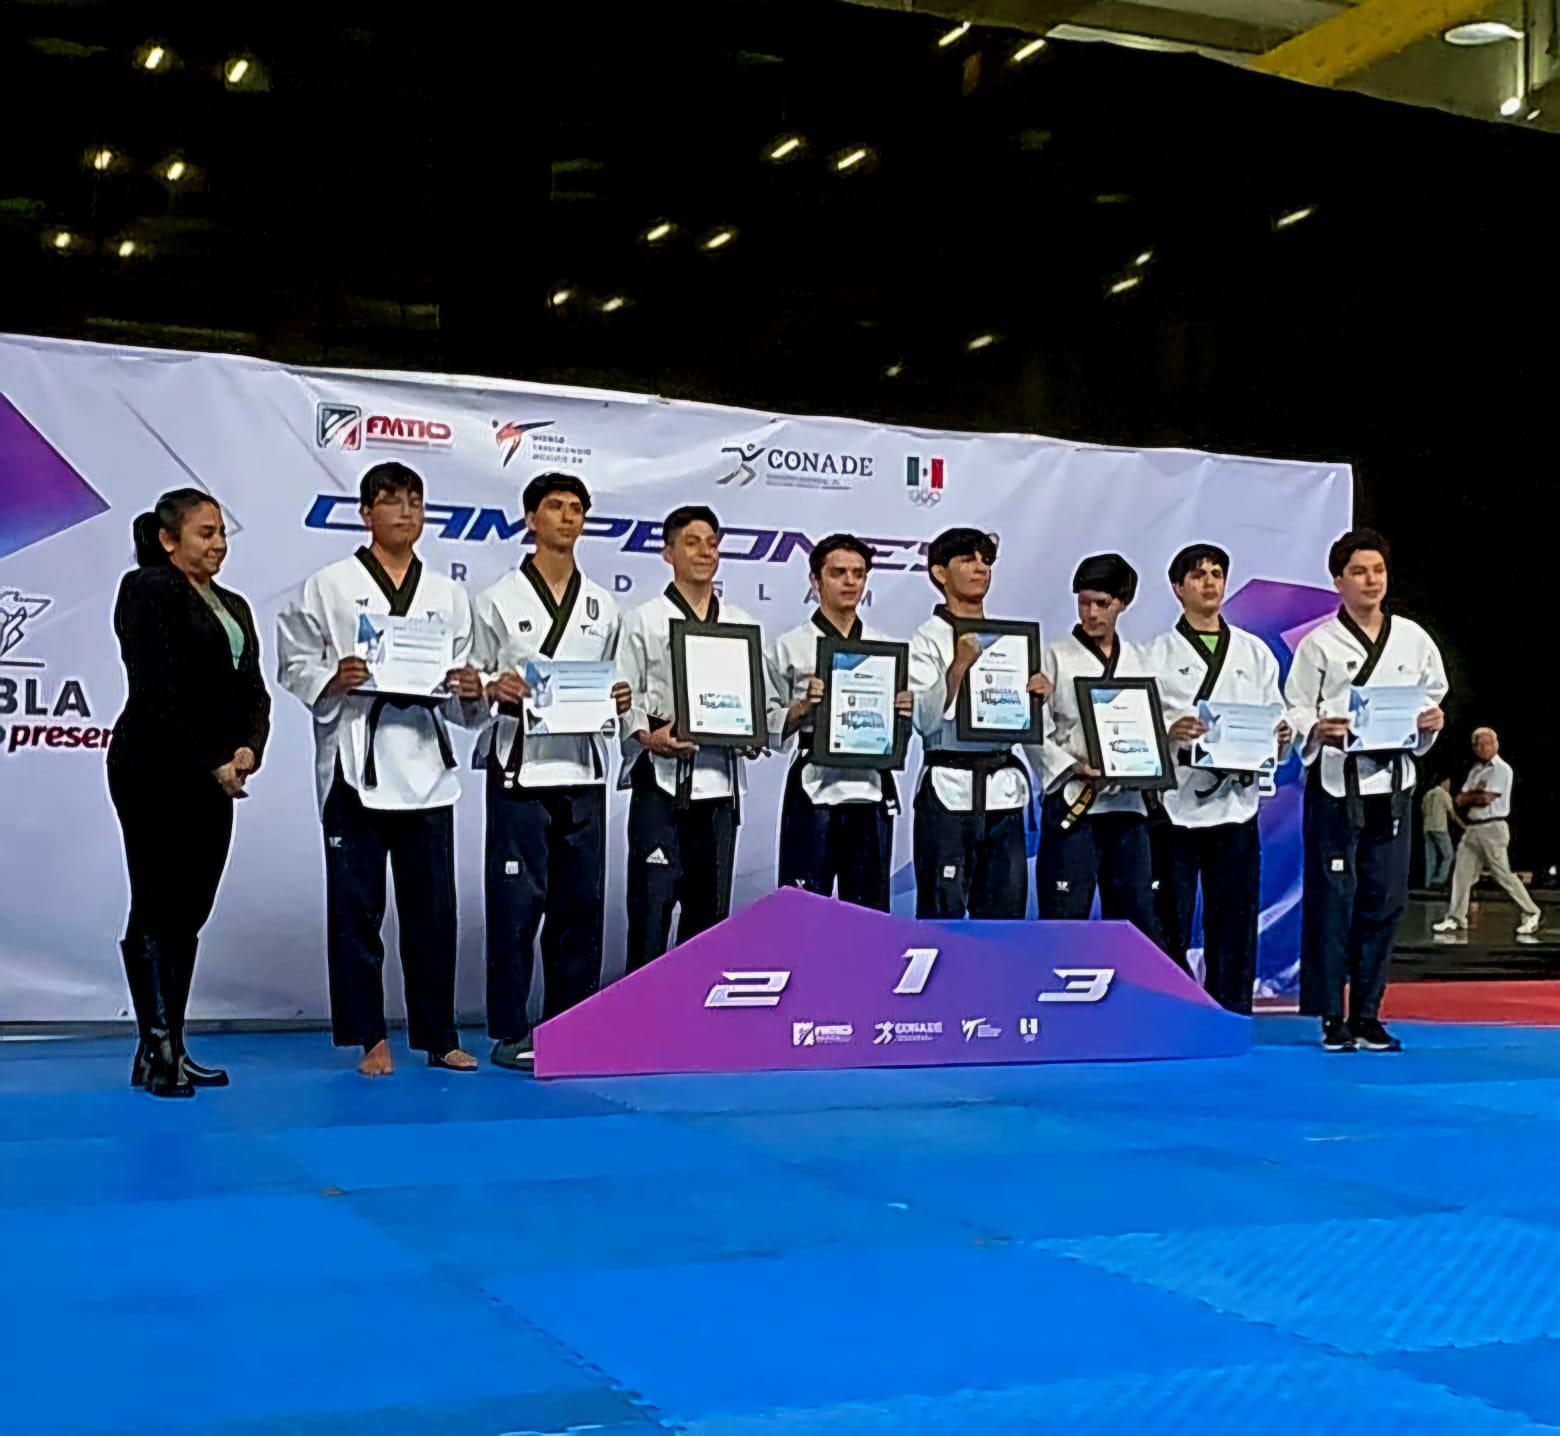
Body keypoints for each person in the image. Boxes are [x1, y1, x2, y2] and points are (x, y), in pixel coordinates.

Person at [277, 462, 486, 1077]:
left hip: (424, 764)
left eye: (415, 501)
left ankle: (438, 1035)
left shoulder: (447, 593)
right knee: (356, 912)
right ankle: (369, 1036)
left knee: (431, 913)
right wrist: (329, 679)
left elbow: (462, 686)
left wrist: (467, 688)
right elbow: (295, 660)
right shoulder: (330, 584)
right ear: (366, 513)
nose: (405, 512)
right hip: (355, 762)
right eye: (391, 501)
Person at [108, 489, 271, 1099]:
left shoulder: (234, 604)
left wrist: (247, 751)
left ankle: (171, 1041)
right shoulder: (147, 589)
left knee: (190, 909)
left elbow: (254, 691)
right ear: (169, 539)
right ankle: (157, 1048)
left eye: (222, 532)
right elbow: (159, 688)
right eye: (205, 533)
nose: (218, 544)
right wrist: (210, 761)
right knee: (156, 899)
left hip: (217, 774)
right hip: (155, 767)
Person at [471, 472, 630, 1069]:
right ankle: (511, 1031)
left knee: (580, 907)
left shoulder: (601, 605)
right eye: (554, 507)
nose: (567, 517)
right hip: (520, 770)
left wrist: (614, 698)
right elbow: (471, 680)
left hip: (582, 769)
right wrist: (494, 687)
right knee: (516, 907)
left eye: (576, 509)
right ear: (530, 519)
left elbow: (610, 678)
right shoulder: (498, 598)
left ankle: (572, 1023)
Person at [1285, 527, 1447, 1053]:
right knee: (1334, 901)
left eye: (1377, 570)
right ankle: (1332, 1015)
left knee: (1386, 899)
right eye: (1358, 571)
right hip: (1337, 784)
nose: (1371, 580)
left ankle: (1370, 1012)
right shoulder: (1319, 644)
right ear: (1338, 581)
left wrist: (1431, 722)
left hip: (1394, 782)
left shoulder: (1413, 638)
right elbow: (1296, 707)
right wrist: (1318, 727)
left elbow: (1432, 696)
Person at [1145, 544, 1291, 1013]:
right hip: (1177, 804)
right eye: (1197, 575)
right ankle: (1171, 1008)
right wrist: (1170, 731)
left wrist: (1281, 734)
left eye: (1216, 574)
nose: (1209, 582)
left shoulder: (1254, 652)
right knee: (1171, 916)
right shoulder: (1155, 655)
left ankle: (1231, 1009)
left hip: (1237, 804)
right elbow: (1140, 727)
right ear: (1177, 588)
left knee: (1234, 917)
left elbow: (1275, 714)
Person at [618, 504, 763, 968]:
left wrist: (753, 733)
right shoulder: (643, 618)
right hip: (662, 781)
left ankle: (695, 1025)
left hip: (720, 785)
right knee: (650, 908)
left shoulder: (741, 622)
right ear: (667, 553)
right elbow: (625, 693)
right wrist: (646, 735)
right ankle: (638, 1023)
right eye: (692, 542)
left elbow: (752, 700)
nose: (705, 551)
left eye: (713, 542)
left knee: (711, 916)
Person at [908, 527, 1050, 919]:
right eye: (967, 560)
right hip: (948, 787)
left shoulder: (1010, 643)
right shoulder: (927, 638)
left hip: (1002, 790)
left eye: (985, 561)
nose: (980, 568)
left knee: (1005, 915)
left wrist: (1036, 696)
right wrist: (958, 667)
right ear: (940, 572)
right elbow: (923, 720)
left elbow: (1025, 724)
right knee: (942, 915)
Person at [766, 533, 912, 911]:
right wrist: (802, 708)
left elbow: (899, 735)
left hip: (870, 788)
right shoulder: (790, 645)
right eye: (838, 573)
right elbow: (767, 726)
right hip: (813, 786)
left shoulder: (884, 650)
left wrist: (901, 713)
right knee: (801, 910)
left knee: (870, 914)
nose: (850, 582)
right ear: (816, 581)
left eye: (858, 573)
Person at [1033, 553, 1160, 944]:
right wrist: (1071, 766)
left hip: (1127, 808)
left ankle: (1128, 1002)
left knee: (1134, 917)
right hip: (1074, 803)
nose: (1090, 613)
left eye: (1101, 603)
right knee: (1064, 916)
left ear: (1122, 603)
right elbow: (1035, 730)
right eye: (1083, 602)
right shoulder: (1054, 656)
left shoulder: (1140, 660)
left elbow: (1154, 726)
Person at [1433, 728, 1542, 940]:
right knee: (1461, 873)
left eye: (1487, 743)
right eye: (1479, 744)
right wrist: (1473, 795)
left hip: (1493, 827)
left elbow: (1484, 798)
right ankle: (1456, 917)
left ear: (1496, 744)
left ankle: (1531, 912)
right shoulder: (1475, 771)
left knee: (1502, 874)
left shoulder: (1502, 769)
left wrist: (1471, 796)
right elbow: (1460, 799)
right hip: (1473, 827)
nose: (1483, 748)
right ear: (1474, 748)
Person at [1421, 778, 1458, 890]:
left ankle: (1427, 884)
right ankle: (1439, 880)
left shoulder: (1427, 794)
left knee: (1431, 857)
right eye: (1448, 784)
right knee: (1449, 855)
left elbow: (1423, 811)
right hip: (1440, 828)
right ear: (1443, 782)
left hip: (1427, 827)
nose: (1449, 786)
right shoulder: (1445, 794)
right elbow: (1452, 815)